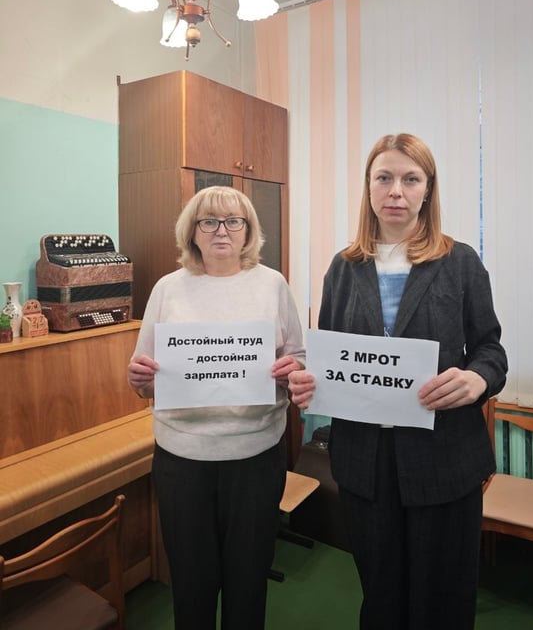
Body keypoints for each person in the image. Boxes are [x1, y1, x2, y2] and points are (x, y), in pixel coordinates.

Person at [289, 133, 507, 630]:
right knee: (382, 595)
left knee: (443, 600)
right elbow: (329, 359)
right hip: (365, 464)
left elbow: (491, 351)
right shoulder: (343, 269)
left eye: (411, 179)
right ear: (368, 187)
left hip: (445, 458)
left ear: (427, 190)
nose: (396, 191)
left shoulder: (460, 262)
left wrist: (478, 380)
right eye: (383, 178)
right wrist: (308, 382)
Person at [127, 186, 305, 630]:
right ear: (192, 232)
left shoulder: (273, 284)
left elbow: (298, 357)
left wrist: (293, 370)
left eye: (233, 221)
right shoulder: (167, 289)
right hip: (181, 462)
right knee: (191, 584)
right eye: (208, 221)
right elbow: (144, 380)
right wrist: (140, 381)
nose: (221, 231)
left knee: (249, 581)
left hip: (256, 458)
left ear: (248, 231)